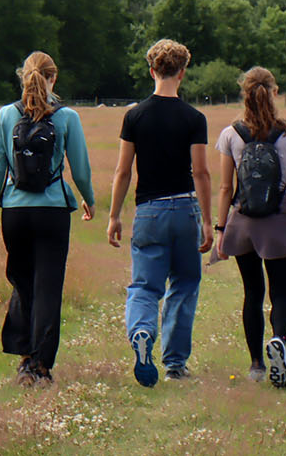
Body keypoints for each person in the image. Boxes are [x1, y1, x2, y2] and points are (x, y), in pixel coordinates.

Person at [211, 66, 286, 388]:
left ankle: (256, 365)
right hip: (279, 221)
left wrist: (222, 231)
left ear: (243, 94)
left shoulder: (230, 134)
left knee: (252, 293)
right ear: (274, 93)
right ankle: (279, 341)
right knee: (281, 294)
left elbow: (225, 188)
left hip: (243, 223)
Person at [0, 51, 96, 386]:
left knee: (23, 282)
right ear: (54, 78)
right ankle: (42, 367)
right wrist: (89, 201)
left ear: (23, 77)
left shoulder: (6, 116)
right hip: (52, 213)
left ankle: (23, 360)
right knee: (48, 288)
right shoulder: (68, 118)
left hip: (15, 212)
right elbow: (81, 169)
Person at [107, 39, 213, 386]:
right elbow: (200, 172)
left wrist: (114, 216)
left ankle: (141, 332)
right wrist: (208, 221)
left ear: (152, 70)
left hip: (149, 211)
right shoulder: (194, 118)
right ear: (182, 73)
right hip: (185, 208)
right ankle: (175, 364)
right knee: (184, 282)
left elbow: (123, 171)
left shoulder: (134, 116)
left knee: (144, 286)